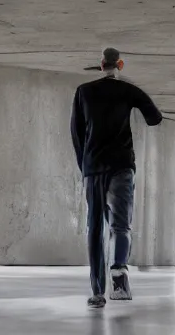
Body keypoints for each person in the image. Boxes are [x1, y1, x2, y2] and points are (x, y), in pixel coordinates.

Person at [70, 48, 163, 308]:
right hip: (121, 165)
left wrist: (85, 166)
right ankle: (119, 277)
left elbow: (76, 133)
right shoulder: (128, 90)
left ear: (101, 65)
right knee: (121, 226)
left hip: (93, 167)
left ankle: (97, 293)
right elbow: (155, 118)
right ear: (119, 64)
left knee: (95, 228)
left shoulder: (83, 91)